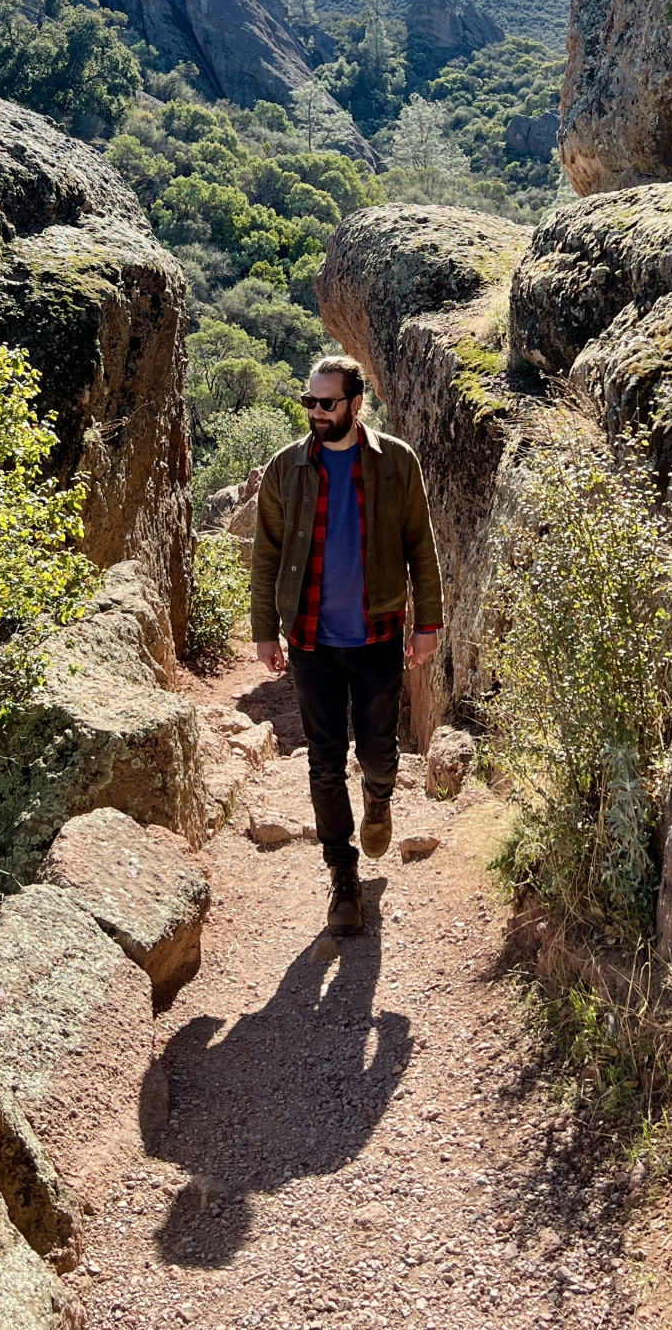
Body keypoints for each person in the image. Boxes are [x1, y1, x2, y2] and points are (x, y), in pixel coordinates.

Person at [250, 355, 443, 937]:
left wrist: (427, 624)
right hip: (310, 640)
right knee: (323, 763)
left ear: (356, 404)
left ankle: (379, 800)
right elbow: (266, 554)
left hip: (378, 634)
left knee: (380, 753)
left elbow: (421, 547)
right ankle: (342, 876)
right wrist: (264, 630)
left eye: (326, 403)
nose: (315, 412)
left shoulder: (395, 463)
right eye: (308, 402)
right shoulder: (285, 469)